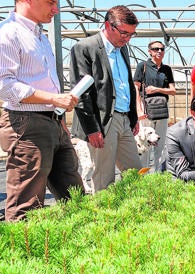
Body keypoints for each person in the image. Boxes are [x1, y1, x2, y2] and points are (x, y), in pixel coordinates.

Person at [0, 0, 84, 221]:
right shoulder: (5, 32)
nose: (56, 9)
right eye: (50, 2)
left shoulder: (39, 36)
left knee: (75, 196)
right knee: (26, 205)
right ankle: (21, 254)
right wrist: (54, 99)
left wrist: (59, 122)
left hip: (52, 121)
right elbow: (2, 85)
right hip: (26, 123)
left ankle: (77, 250)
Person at [69, 5, 142, 192]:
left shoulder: (122, 49)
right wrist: (92, 129)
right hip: (102, 122)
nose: (127, 39)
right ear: (108, 26)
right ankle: (106, 217)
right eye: (124, 33)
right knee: (104, 177)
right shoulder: (85, 48)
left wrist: (132, 117)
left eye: (131, 35)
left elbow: (126, 84)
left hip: (124, 118)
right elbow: (81, 92)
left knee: (136, 172)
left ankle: (134, 214)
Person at [133, 40, 175, 171]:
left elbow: (172, 90)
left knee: (160, 144)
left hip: (162, 111)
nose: (159, 51)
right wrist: (138, 109)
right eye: (156, 49)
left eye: (162, 49)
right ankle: (143, 174)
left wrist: (157, 89)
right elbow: (136, 87)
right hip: (146, 111)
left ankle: (159, 174)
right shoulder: (143, 66)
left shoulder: (167, 69)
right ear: (149, 51)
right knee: (144, 143)